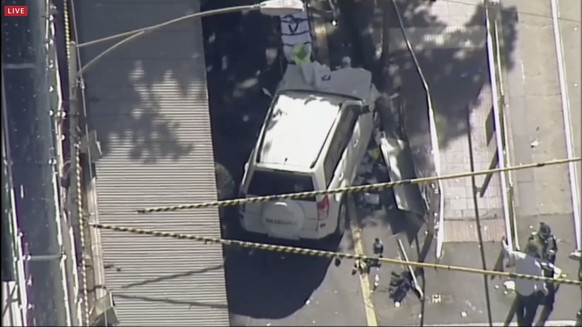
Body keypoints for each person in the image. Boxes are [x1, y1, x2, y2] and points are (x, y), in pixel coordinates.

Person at [502, 237, 548, 326]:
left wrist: (503, 242)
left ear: (527, 248)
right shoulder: (536, 266)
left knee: (520, 314)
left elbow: (507, 253)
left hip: (519, 291)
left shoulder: (519, 257)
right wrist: (544, 290)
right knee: (529, 315)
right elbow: (540, 282)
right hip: (530, 295)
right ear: (535, 252)